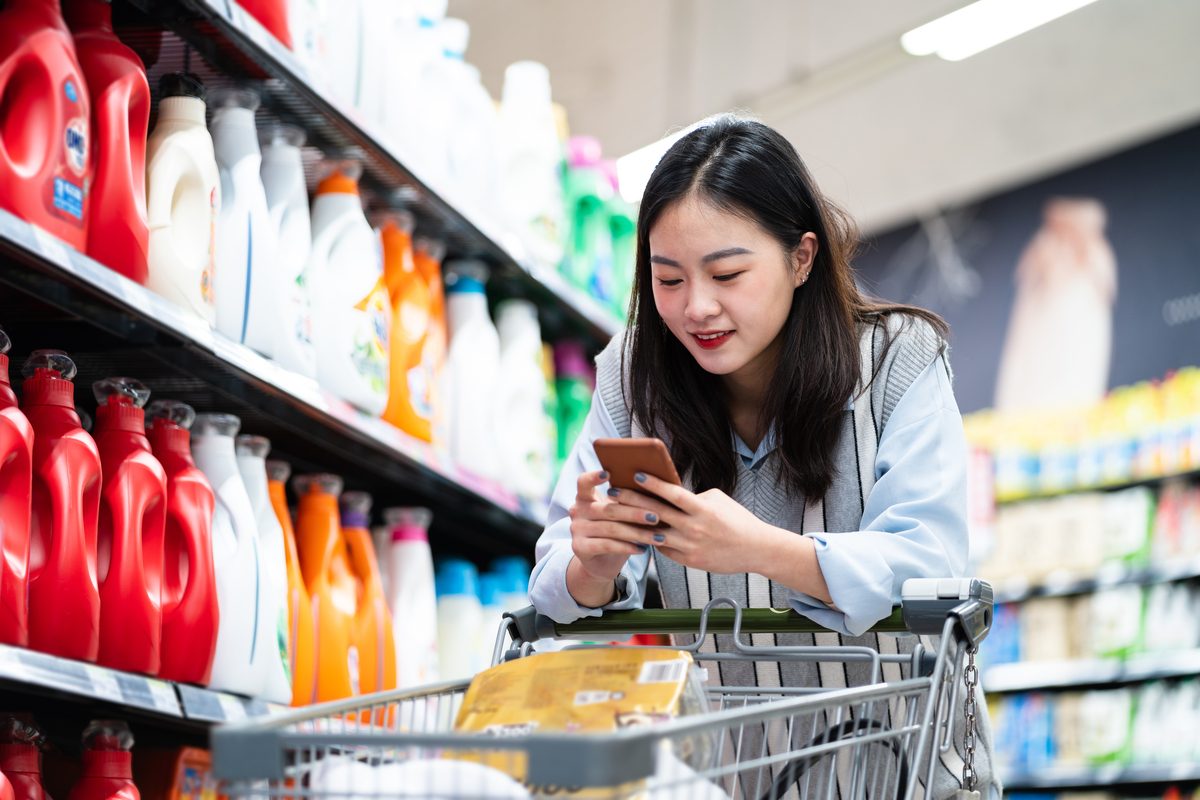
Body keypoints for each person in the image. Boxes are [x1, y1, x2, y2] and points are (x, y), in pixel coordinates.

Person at [529, 115, 1000, 799]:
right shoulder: (634, 375)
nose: (697, 307)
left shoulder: (900, 356)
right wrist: (593, 560)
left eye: (727, 272)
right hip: (740, 777)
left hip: (904, 772)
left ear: (801, 257)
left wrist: (756, 548)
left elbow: (929, 565)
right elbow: (552, 585)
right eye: (667, 280)